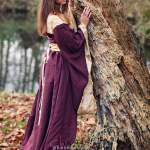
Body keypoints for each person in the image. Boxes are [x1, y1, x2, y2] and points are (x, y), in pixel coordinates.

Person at [20, 0, 91, 149]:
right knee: (56, 103)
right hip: (58, 65)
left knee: (50, 102)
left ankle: (48, 137)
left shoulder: (56, 14)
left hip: (53, 62)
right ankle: (51, 142)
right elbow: (73, 44)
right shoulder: (55, 19)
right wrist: (83, 25)